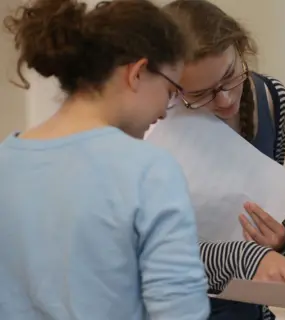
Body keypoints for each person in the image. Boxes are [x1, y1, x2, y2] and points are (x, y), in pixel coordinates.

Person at [0, 0, 209, 319]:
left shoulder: (6, 162)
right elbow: (179, 310)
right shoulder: (148, 171)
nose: (164, 111)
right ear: (137, 72)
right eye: (169, 91)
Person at [160, 1, 285, 319]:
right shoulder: (154, 120)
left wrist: (282, 240)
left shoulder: (272, 98)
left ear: (241, 47)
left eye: (228, 76)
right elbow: (151, 249)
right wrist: (246, 258)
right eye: (200, 94)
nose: (224, 100)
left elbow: (276, 217)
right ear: (172, 87)